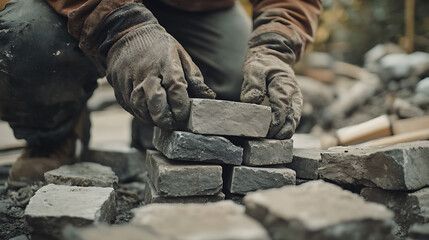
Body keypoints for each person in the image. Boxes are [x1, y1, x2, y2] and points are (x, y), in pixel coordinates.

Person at [0, 0, 321, 187]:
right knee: (28, 43)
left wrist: (274, 45)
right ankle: (52, 131)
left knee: (242, 89)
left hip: (201, 9)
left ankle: (154, 134)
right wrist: (120, 25)